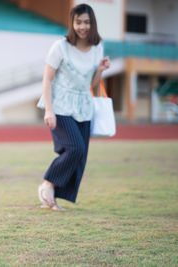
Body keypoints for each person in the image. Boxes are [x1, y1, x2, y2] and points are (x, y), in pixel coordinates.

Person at [36, 3, 110, 210]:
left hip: (83, 105)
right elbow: (47, 80)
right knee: (75, 148)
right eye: (78, 22)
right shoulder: (60, 46)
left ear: (92, 23)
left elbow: (91, 84)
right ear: (72, 23)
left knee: (79, 155)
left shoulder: (98, 47)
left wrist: (101, 69)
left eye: (87, 22)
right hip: (60, 104)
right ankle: (48, 184)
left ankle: (52, 198)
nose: (83, 26)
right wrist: (49, 110)